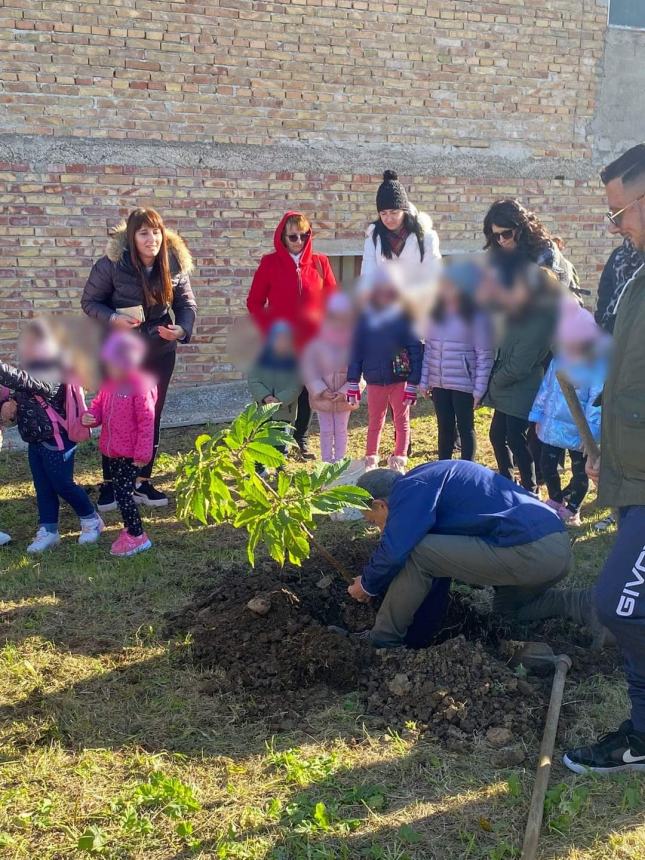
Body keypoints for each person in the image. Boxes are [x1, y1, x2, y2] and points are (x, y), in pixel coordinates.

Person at [564, 144, 645, 775]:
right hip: (631, 471)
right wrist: (606, 456)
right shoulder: (636, 271)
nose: (614, 227)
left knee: (621, 599)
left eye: (619, 213)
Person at [344, 461, 591, 649]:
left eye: (374, 521)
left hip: (531, 550)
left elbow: (396, 552)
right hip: (555, 547)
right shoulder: (431, 479)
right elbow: (438, 567)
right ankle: (579, 603)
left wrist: (367, 584)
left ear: (380, 505)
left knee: (417, 553)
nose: (379, 529)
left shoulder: (410, 490)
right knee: (507, 611)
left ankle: (382, 641)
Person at [81, 207, 197, 511]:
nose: (152, 238)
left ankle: (142, 482)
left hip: (159, 352)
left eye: (156, 231)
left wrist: (182, 329)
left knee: (150, 415)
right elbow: (89, 301)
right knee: (115, 411)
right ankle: (110, 484)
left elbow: (187, 304)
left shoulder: (173, 262)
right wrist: (113, 317)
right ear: (132, 237)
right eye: (144, 232)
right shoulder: (112, 264)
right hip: (119, 351)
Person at [0, 320, 103, 554]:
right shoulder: (30, 371)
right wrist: (9, 405)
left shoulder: (54, 374)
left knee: (63, 484)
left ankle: (91, 519)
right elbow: (19, 393)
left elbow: (24, 382)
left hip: (57, 440)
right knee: (43, 486)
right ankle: (49, 530)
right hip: (35, 441)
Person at [247, 212, 337, 460]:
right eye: (293, 236)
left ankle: (301, 438)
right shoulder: (269, 263)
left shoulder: (320, 262)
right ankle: (278, 440)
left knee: (309, 390)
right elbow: (255, 302)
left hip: (312, 342)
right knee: (285, 389)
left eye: (304, 235)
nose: (299, 241)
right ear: (283, 238)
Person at [483, 263, 559, 494]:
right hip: (508, 388)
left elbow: (520, 364)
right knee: (497, 435)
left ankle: (530, 487)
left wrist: (495, 382)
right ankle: (507, 480)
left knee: (516, 438)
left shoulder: (540, 321)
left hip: (522, 388)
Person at [529, 302, 605, 527]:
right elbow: (546, 388)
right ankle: (555, 498)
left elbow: (596, 403)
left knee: (580, 473)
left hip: (577, 432)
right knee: (546, 464)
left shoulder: (596, 366)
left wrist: (590, 434)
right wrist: (537, 414)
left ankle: (573, 509)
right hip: (552, 426)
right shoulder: (558, 360)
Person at [82, 332, 156, 558]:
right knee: (120, 491)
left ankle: (137, 535)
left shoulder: (139, 386)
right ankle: (130, 529)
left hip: (131, 453)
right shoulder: (109, 384)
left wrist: (143, 452)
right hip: (112, 449)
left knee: (124, 494)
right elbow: (99, 406)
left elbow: (147, 420)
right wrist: (91, 416)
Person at [346, 265, 424, 473]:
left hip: (399, 379)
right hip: (374, 380)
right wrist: (353, 381)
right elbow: (356, 351)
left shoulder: (404, 317)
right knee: (375, 420)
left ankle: (399, 458)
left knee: (401, 420)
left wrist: (413, 383)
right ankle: (371, 458)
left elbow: (416, 350)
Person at [420, 261, 494, 462]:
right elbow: (429, 351)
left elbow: (484, 356)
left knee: (466, 427)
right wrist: (425, 380)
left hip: (464, 384)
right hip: (439, 383)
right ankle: (443, 466)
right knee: (444, 427)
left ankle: (466, 469)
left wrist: (479, 390)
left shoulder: (476, 316)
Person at [361, 170, 441, 309]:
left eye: (394, 212)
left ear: (404, 211)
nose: (388, 218)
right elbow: (368, 278)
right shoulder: (373, 239)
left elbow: (433, 276)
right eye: (383, 213)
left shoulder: (426, 237)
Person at [483, 198, 581, 299]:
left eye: (506, 234)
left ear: (520, 229)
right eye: (496, 236)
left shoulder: (544, 255)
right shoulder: (499, 257)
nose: (501, 240)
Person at [301, 293, 359, 464]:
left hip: (344, 397)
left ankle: (340, 461)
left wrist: (345, 391)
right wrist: (321, 391)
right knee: (326, 430)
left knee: (341, 430)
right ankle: (326, 461)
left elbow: (359, 370)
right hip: (323, 396)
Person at [247, 321, 302, 472]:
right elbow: (253, 380)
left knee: (281, 439)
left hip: (284, 409)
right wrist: (265, 397)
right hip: (263, 408)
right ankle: (259, 466)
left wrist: (279, 399)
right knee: (261, 438)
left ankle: (280, 465)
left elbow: (296, 385)